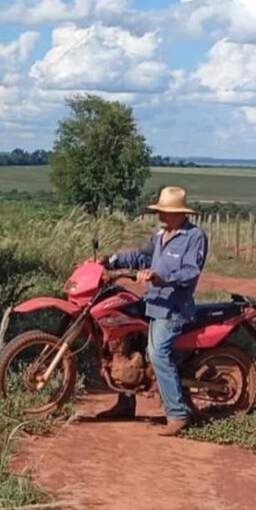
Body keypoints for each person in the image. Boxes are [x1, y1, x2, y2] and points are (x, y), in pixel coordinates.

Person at [96, 185, 208, 436]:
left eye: (165, 211)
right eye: (160, 210)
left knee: (157, 353)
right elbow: (139, 256)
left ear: (179, 213)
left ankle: (178, 414)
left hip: (173, 308)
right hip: (151, 302)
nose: (160, 215)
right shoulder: (160, 235)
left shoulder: (194, 237)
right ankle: (126, 403)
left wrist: (160, 276)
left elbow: (191, 272)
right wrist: (110, 260)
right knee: (121, 339)